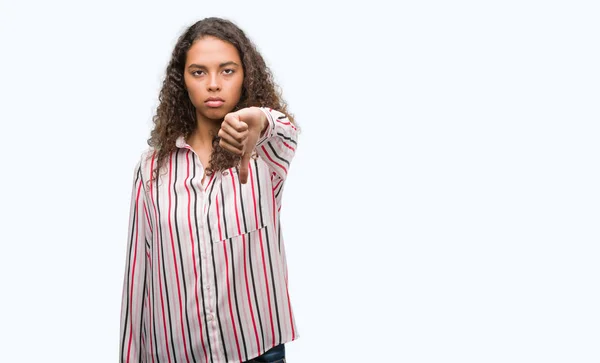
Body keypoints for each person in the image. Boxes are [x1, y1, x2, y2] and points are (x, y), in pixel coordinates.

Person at [119, 17, 299, 363]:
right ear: (182, 82)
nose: (213, 84)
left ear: (246, 76)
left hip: (256, 349)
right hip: (173, 352)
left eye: (227, 71)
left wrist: (259, 122)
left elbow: (284, 130)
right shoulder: (152, 169)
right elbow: (137, 274)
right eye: (199, 72)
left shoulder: (266, 156)